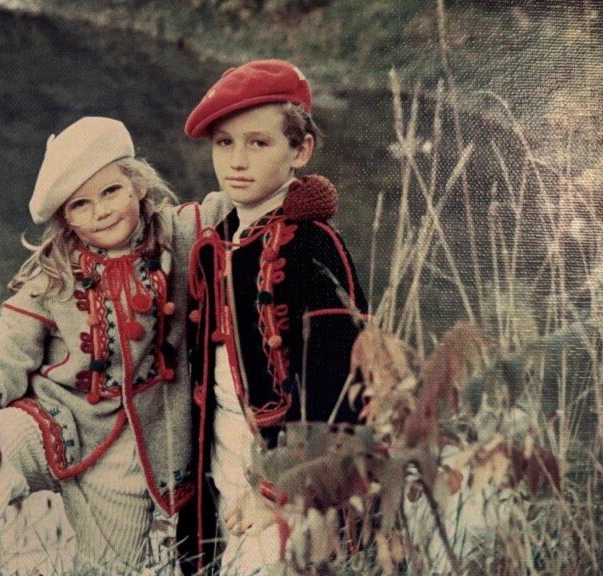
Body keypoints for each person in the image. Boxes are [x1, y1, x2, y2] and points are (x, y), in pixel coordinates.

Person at [0, 117, 199, 573]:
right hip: (55, 420)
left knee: (108, 570)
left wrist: (294, 197)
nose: (100, 212)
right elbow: (8, 347)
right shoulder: (55, 273)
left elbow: (242, 207)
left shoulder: (183, 234)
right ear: (66, 218)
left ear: (138, 185)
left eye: (111, 192)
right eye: (80, 204)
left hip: (129, 452)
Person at [175, 60, 369, 575]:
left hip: (288, 464)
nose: (237, 161)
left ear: (299, 151)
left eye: (258, 143)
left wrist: (278, 487)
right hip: (222, 451)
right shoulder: (219, 241)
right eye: (224, 143)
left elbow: (338, 384)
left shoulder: (312, 245)